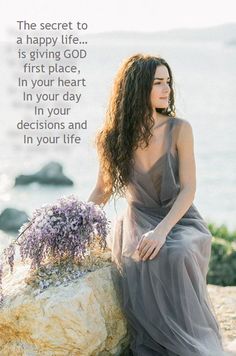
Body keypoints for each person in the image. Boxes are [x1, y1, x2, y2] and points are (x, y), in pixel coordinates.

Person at [88, 53, 228, 355]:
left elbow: (189, 188)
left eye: (168, 83)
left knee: (177, 253)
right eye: (158, 83)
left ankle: (189, 340)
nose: (167, 90)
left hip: (178, 218)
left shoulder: (179, 128)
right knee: (139, 258)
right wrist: (75, 219)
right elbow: (102, 189)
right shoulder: (110, 138)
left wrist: (162, 231)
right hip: (137, 218)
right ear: (138, 88)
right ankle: (161, 340)